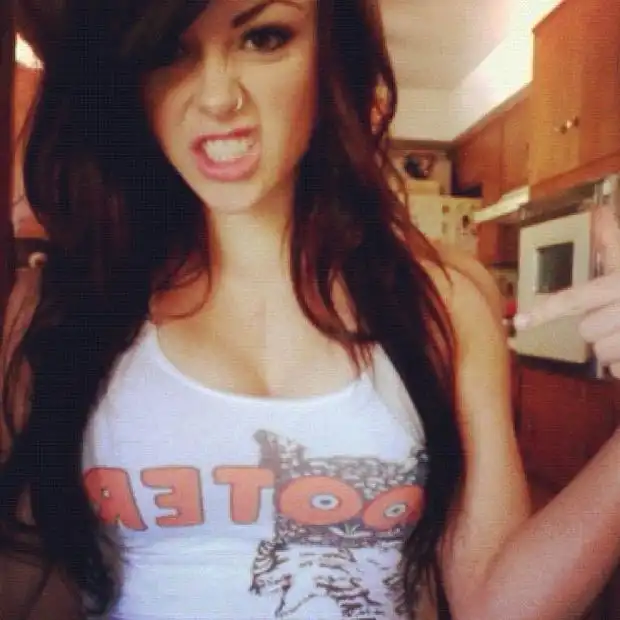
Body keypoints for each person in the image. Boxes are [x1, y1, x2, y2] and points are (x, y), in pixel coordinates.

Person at [3, 1, 620, 619]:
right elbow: (29, 584)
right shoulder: (61, 311)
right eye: (170, 50)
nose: (218, 98)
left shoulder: (442, 302)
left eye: (264, 38)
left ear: (330, 54)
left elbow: (497, 606)